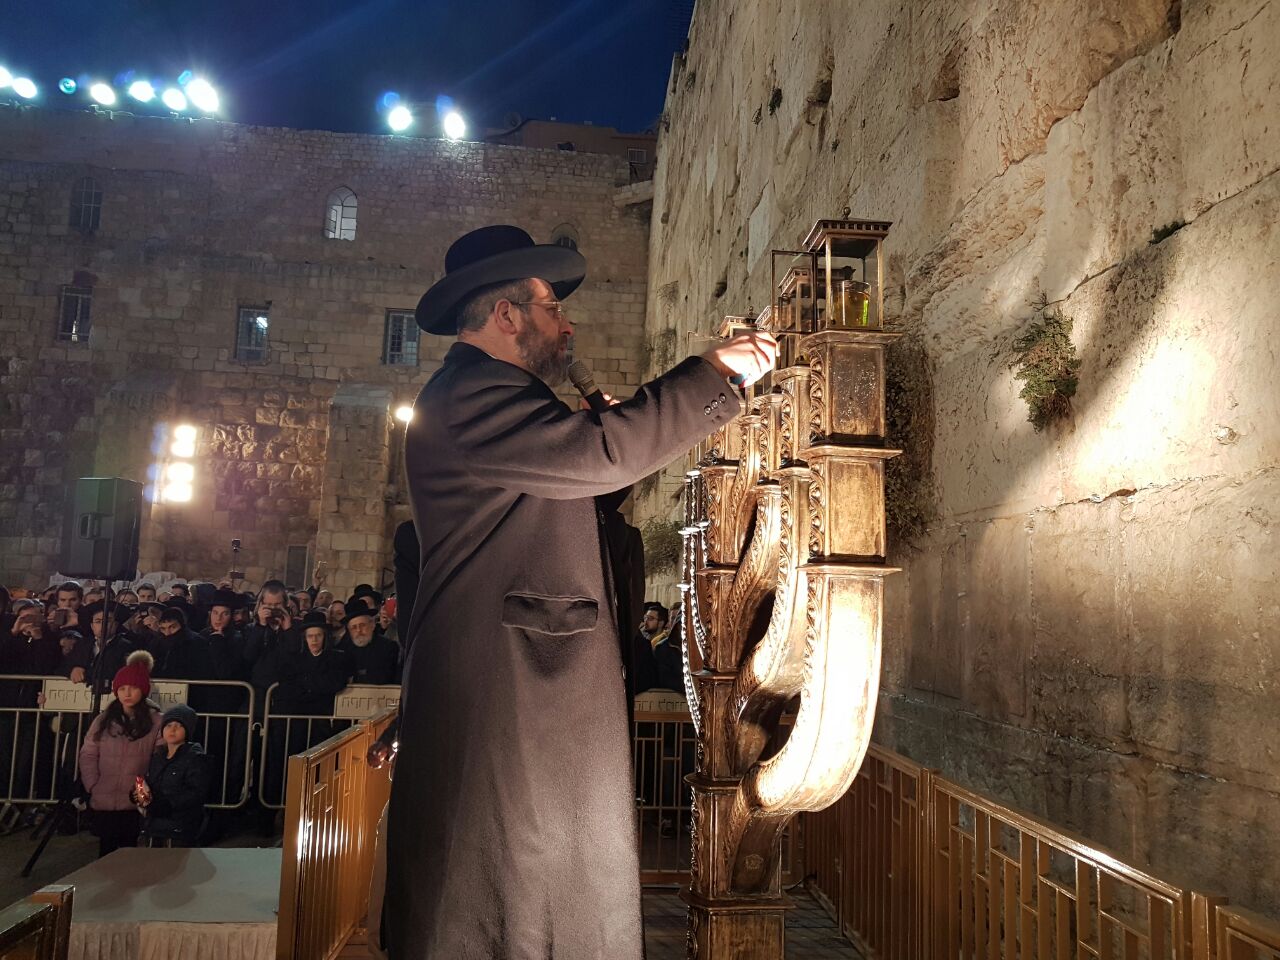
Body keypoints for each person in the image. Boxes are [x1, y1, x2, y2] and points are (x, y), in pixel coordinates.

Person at [383, 224, 774, 959]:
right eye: (550, 307)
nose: (567, 323)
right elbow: (597, 456)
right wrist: (714, 375)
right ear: (506, 315)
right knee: (503, 899)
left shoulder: (499, 397)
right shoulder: (472, 396)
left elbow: (596, 477)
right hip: (509, 696)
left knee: (536, 894)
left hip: (527, 695)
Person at [78, 650, 163, 857]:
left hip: (134, 797)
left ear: (142, 690)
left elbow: (159, 757)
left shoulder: (156, 722)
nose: (127, 693)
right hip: (104, 795)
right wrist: (92, 783)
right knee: (105, 850)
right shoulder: (103, 720)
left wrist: (144, 789)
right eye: (122, 688)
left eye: (133, 688)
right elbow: (88, 753)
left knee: (130, 850)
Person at [134, 703, 213, 847]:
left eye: (179, 726)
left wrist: (168, 804)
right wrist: (137, 794)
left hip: (179, 828)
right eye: (168, 725)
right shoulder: (158, 757)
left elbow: (195, 793)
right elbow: (151, 784)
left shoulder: (195, 759)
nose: (173, 729)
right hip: (153, 826)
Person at [337, 601, 400, 685]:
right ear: (349, 630)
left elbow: (390, 677)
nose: (359, 630)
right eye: (354, 627)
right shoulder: (342, 650)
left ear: (372, 625)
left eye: (362, 625)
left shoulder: (389, 647)